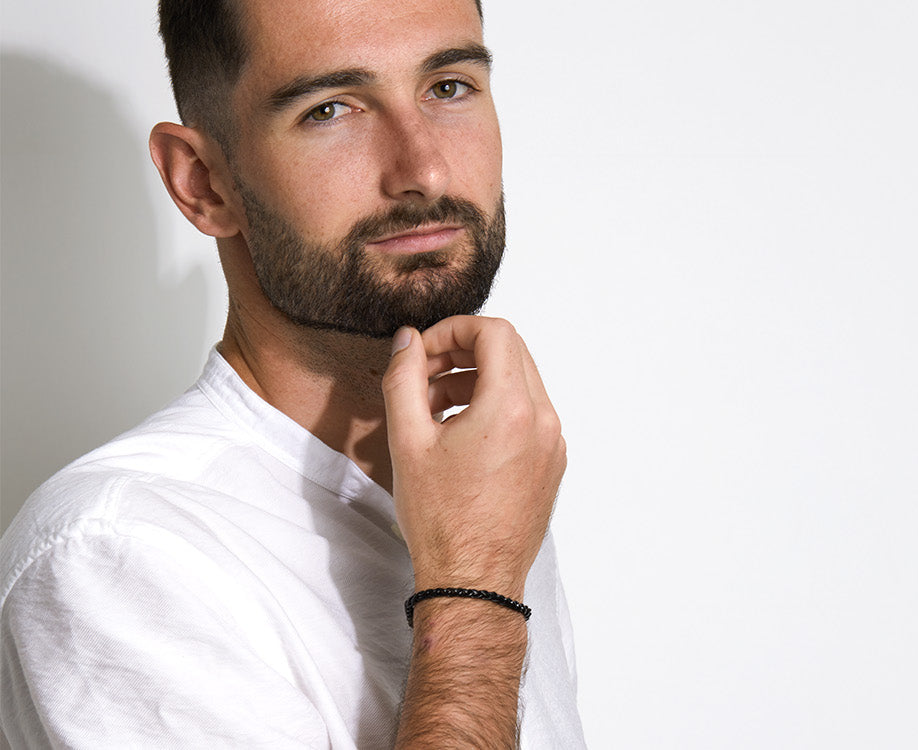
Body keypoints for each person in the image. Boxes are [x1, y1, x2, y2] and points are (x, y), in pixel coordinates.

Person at [0, 0, 585, 747]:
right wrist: (473, 592)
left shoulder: (485, 477)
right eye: (330, 109)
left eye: (448, 87)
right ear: (203, 183)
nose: (425, 169)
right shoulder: (114, 556)